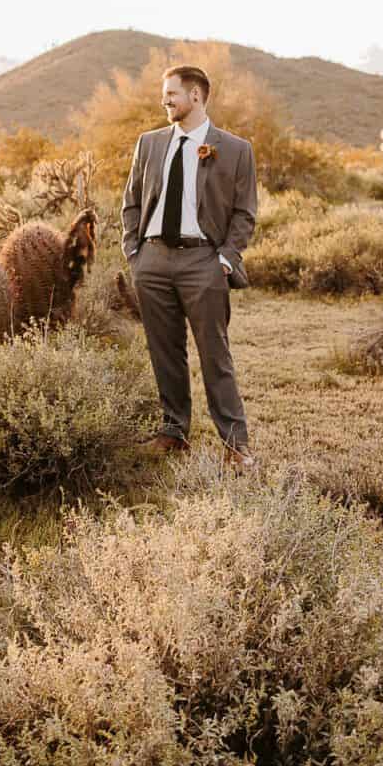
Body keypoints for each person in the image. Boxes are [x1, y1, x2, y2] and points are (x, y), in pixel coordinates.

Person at [119, 64, 260, 467]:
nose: (164, 100)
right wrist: (135, 253)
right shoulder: (148, 143)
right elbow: (131, 202)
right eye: (164, 94)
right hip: (153, 260)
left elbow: (244, 213)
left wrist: (225, 260)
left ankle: (236, 445)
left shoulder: (235, 149)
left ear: (195, 96)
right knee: (164, 352)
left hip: (204, 261)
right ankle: (174, 432)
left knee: (215, 354)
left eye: (171, 93)